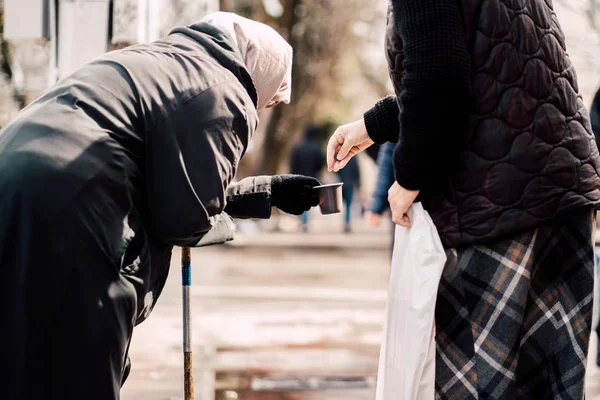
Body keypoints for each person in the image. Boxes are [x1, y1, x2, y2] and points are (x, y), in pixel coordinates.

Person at [0, 12, 320, 400]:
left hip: (19, 183)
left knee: (22, 349)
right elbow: (185, 219)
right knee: (80, 363)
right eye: (269, 100)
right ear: (262, 73)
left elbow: (167, 176)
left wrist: (263, 193)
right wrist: (221, 221)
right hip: (75, 207)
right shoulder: (226, 90)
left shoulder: (165, 61)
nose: (264, 108)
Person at [327, 1, 600, 398]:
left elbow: (441, 80)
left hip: (495, 207)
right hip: (562, 191)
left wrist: (410, 178)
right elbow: (491, 66)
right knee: (547, 386)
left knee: (475, 383)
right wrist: (373, 124)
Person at [290, 123, 325, 231]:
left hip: (299, 177)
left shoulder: (298, 147)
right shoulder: (317, 147)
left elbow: (293, 163)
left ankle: (304, 221)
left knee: (302, 199)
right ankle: (305, 221)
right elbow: (321, 163)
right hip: (312, 178)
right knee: (308, 199)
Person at [336, 156, 360, 232]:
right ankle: (347, 222)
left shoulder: (339, 156)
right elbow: (356, 171)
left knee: (341, 205)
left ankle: (346, 222)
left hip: (340, 184)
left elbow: (336, 170)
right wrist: (358, 184)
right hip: (350, 184)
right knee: (349, 205)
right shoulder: (353, 156)